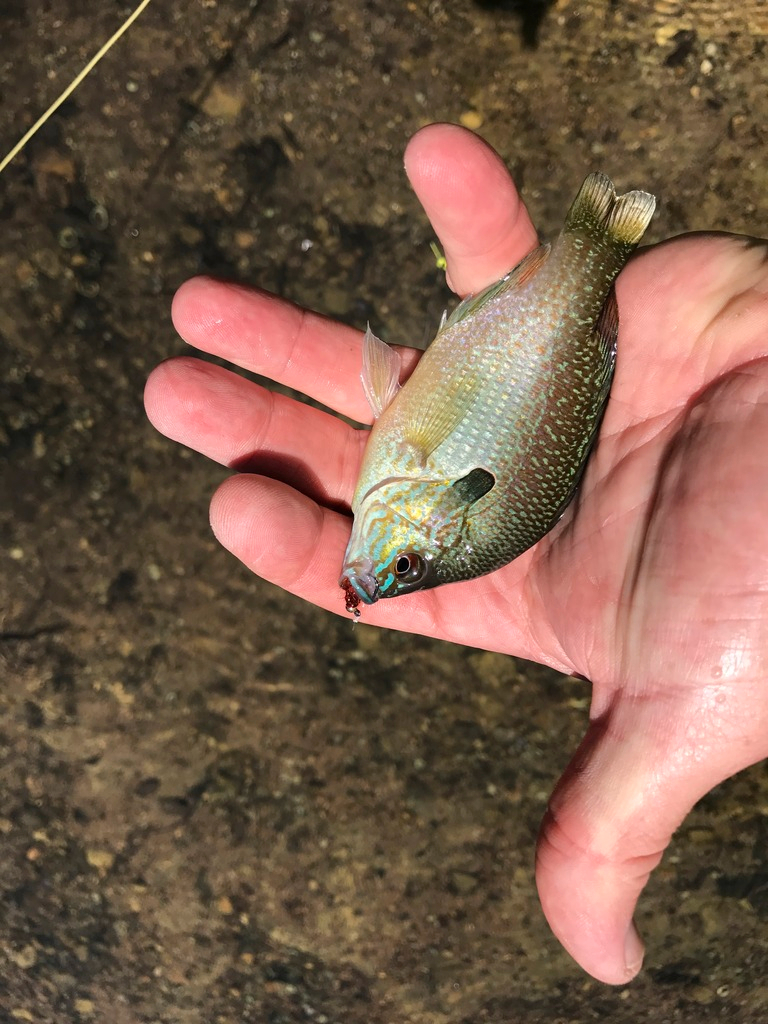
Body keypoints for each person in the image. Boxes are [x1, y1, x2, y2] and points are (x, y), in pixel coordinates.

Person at [144, 123, 768, 985]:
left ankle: (592, 246)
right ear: (441, 526)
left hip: (503, 365)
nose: (378, 576)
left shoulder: (420, 507)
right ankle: (594, 246)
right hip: (519, 363)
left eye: (399, 575)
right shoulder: (436, 507)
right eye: (405, 569)